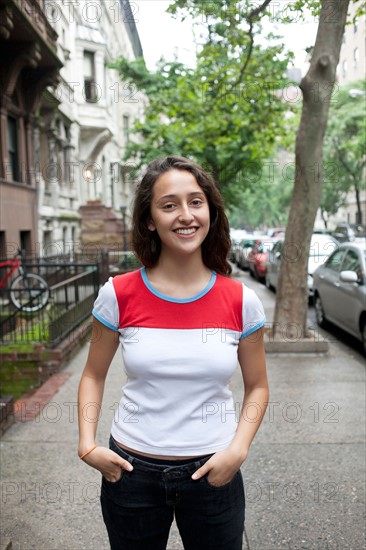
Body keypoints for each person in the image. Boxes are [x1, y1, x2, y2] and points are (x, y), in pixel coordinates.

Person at [77, 156, 269, 550]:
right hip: (130, 473)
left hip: (215, 472)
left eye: (196, 202)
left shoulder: (241, 300)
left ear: (210, 212)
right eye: (169, 205)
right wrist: (87, 444)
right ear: (149, 219)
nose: (186, 215)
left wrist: (238, 449)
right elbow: (93, 375)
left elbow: (258, 387)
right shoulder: (118, 295)